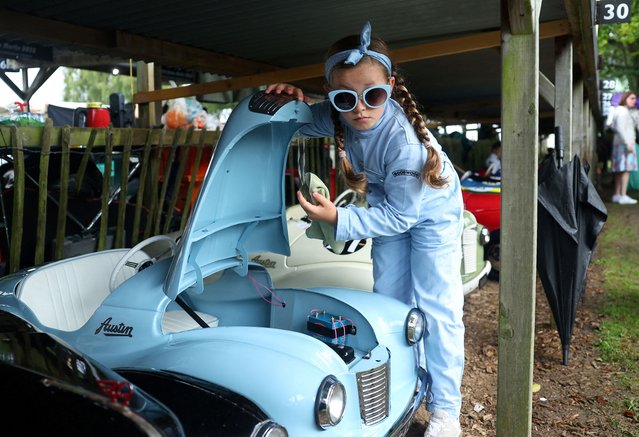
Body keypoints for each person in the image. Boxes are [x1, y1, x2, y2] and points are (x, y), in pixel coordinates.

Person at [266, 22, 464, 437]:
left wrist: (337, 219)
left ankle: (446, 409)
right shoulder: (344, 114)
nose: (360, 109)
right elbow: (299, 122)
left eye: (373, 94)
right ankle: (406, 380)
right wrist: (289, 100)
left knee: (437, 303)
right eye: (344, 98)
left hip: (431, 212)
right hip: (388, 207)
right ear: (332, 95)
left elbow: (400, 218)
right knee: (389, 300)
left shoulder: (404, 142)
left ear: (390, 86)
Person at [605, 91, 638, 204]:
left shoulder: (619, 110)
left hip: (620, 143)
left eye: (635, 99)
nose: (634, 101)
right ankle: (623, 195)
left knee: (620, 171)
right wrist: (627, 143)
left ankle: (617, 194)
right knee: (625, 171)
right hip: (625, 144)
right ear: (625, 98)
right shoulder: (623, 111)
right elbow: (620, 128)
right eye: (632, 98)